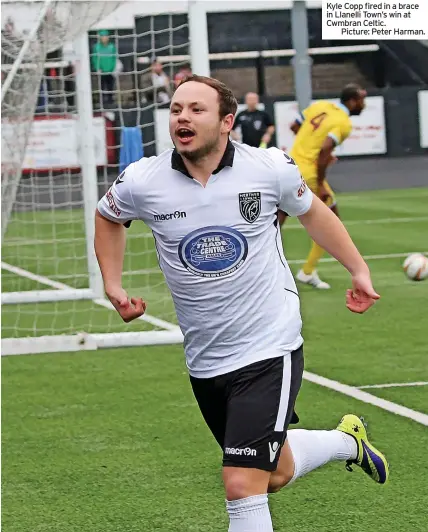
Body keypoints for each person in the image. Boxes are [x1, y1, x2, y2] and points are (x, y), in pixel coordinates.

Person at [95, 75, 388, 532]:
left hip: (270, 344)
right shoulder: (142, 180)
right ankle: (347, 442)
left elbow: (312, 212)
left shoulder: (268, 168)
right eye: (176, 110)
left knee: (240, 485)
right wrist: (112, 284)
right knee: (275, 473)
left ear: (227, 121)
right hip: (206, 357)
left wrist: (358, 269)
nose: (182, 118)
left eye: (196, 109)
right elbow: (108, 216)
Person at [286, 84, 367, 289]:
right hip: (309, 174)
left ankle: (254, 268)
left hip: (289, 165)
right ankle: (307, 271)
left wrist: (308, 148)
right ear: (352, 101)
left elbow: (294, 126)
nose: (363, 104)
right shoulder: (343, 123)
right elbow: (324, 150)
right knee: (331, 222)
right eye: (361, 100)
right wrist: (320, 184)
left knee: (276, 219)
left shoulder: (320, 106)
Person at [91, 30, 117, 107]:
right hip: (101, 71)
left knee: (110, 86)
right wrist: (97, 68)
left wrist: (113, 68)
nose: (104, 38)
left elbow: (114, 58)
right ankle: (101, 101)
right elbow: (95, 58)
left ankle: (110, 101)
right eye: (103, 36)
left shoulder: (112, 46)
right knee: (101, 86)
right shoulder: (97, 47)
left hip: (110, 70)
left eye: (106, 36)